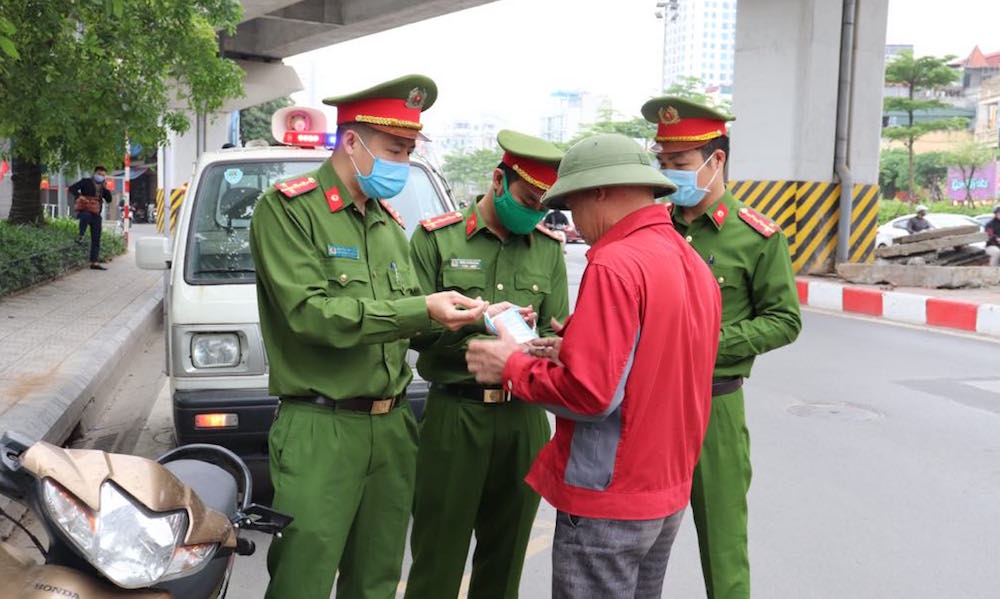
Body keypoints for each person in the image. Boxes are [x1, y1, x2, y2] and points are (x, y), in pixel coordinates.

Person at [248, 75, 488, 599]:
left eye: (407, 150)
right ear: (350, 142)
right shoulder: (289, 210)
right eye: (393, 149)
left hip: (393, 425)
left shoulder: (387, 223)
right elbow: (312, 315)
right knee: (302, 579)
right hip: (321, 426)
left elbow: (410, 320)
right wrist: (419, 307)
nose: (401, 162)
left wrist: (477, 318)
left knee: (377, 579)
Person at [465, 133, 722, 599]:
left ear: (598, 191)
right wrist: (568, 346)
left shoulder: (616, 262)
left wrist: (512, 365)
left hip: (610, 498)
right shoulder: (690, 260)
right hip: (663, 493)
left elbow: (591, 395)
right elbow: (657, 363)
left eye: (573, 206)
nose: (575, 224)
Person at [642, 96, 802, 599]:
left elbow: (783, 320)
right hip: (650, 406)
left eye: (681, 164)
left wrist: (703, 343)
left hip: (716, 406)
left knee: (723, 545)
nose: (669, 175)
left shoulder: (756, 237)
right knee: (637, 541)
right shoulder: (652, 228)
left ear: (717, 161)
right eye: (663, 163)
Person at [405, 130, 569, 599]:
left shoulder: (548, 248)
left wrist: (539, 342)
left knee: (505, 562)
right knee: (438, 560)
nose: (535, 212)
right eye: (528, 199)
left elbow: (557, 338)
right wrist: (482, 327)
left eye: (544, 204)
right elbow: (413, 327)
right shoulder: (436, 238)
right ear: (498, 181)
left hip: (524, 419)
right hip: (455, 416)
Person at [69, 166, 113, 270]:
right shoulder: (86, 182)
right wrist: (79, 196)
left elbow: (109, 199)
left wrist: (105, 189)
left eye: (103, 175)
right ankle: (81, 235)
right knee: (86, 216)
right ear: (94, 173)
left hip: (96, 213)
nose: (101, 177)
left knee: (96, 238)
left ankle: (94, 262)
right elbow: (72, 188)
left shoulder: (103, 187)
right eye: (99, 174)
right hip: (84, 210)